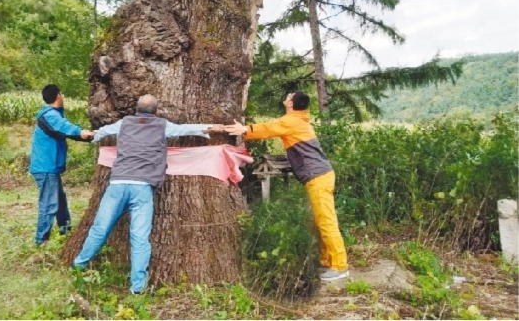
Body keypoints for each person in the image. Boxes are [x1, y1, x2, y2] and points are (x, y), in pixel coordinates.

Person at [73, 94, 225, 294]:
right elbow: (188, 128)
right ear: (156, 111)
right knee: (139, 237)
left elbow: (101, 132)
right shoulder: (162, 125)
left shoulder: (124, 123)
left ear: (136, 110)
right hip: (142, 187)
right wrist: (213, 127)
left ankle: (78, 266)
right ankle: (137, 288)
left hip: (118, 183)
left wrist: (87, 134)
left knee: (100, 229)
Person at [225, 91, 349, 281]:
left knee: (326, 221)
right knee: (319, 220)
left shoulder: (292, 121)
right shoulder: (298, 119)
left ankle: (340, 266)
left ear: (291, 103)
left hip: (318, 176)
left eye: (290, 95)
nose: (287, 95)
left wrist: (244, 130)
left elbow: (269, 128)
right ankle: (328, 262)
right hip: (318, 176)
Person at [29, 84, 94, 246]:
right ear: (58, 96)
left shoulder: (53, 114)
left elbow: (64, 131)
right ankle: (41, 241)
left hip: (50, 167)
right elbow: (64, 127)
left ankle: (65, 232)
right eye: (62, 94)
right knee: (49, 203)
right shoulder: (50, 115)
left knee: (59, 201)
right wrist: (81, 131)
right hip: (45, 168)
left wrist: (88, 136)